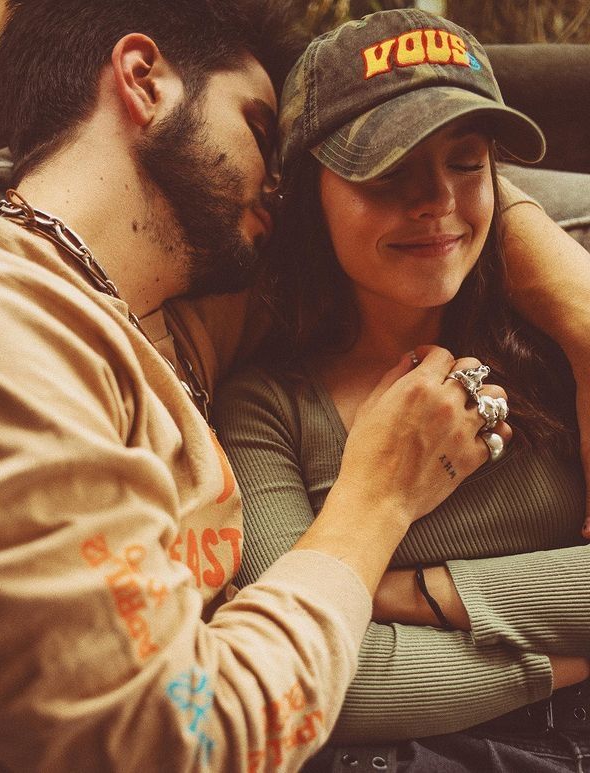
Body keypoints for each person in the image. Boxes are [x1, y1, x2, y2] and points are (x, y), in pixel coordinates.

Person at [0, 1, 523, 770]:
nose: (277, 184)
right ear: (144, 80)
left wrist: (582, 325)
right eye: (256, 128)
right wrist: (378, 498)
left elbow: (456, 216)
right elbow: (176, 746)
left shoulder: (174, 307)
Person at [213, 9, 590, 772]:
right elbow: (326, 682)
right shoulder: (263, 406)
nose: (437, 200)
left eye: (466, 161)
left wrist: (414, 591)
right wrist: (558, 662)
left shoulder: (559, 348)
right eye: (387, 172)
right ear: (307, 193)